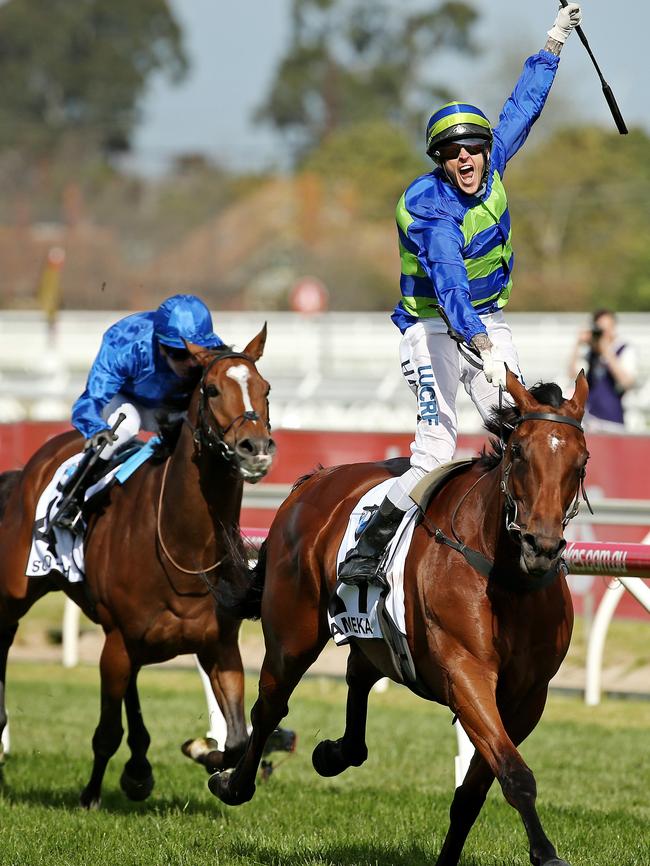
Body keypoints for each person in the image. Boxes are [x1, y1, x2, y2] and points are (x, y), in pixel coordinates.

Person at [339, 3, 583, 584]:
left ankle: (523, 540)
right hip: (431, 328)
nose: (466, 159)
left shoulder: (493, 163)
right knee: (437, 448)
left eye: (473, 148)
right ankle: (368, 550)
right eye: (453, 154)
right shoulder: (428, 208)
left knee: (519, 429)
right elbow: (448, 279)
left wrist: (554, 41)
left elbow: (522, 106)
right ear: (441, 163)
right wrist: (474, 335)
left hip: (484, 320)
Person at [53, 293, 224, 529]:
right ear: (160, 344)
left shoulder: (215, 352)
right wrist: (96, 428)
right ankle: (73, 496)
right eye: (178, 353)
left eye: (196, 353)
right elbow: (92, 398)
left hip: (173, 409)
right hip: (127, 401)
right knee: (125, 425)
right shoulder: (125, 342)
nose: (190, 363)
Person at [570, 309, 637, 431]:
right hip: (589, 419)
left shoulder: (624, 349)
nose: (605, 332)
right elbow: (572, 375)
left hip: (613, 420)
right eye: (601, 329)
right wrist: (578, 344)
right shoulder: (590, 352)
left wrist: (607, 352)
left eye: (608, 327)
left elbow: (627, 382)